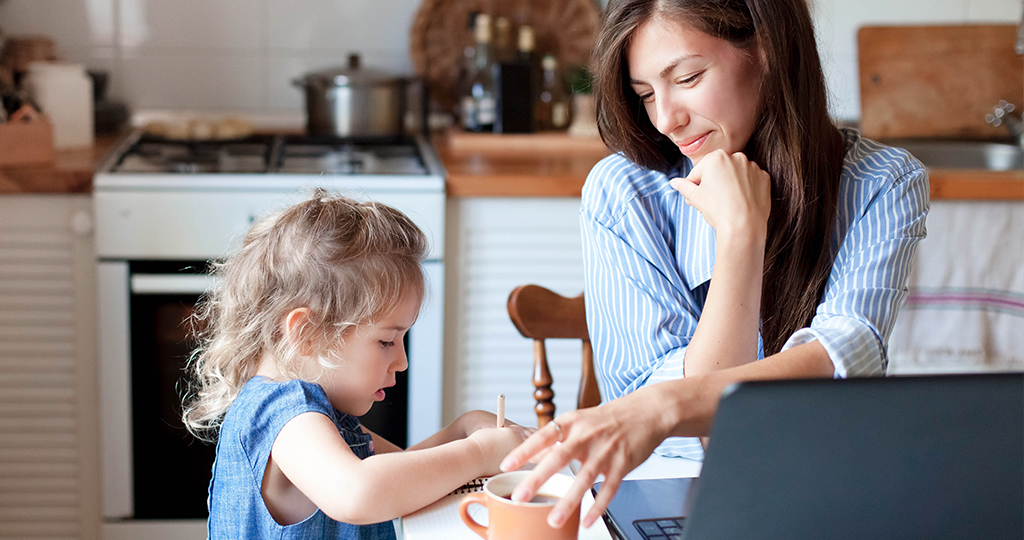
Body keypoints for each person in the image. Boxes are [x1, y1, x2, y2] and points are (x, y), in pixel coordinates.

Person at [499, 0, 929, 530]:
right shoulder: (623, 192)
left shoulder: (883, 183)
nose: (665, 118)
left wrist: (662, 406)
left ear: (766, 50)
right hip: (665, 494)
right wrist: (739, 239)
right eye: (646, 95)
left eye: (688, 77)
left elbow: (839, 357)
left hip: (818, 487)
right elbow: (695, 434)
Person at [182, 191, 532, 539]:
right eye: (385, 341)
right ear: (307, 333)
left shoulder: (325, 412)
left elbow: (403, 476)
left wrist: (463, 429)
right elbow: (359, 491)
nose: (402, 361)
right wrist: (478, 453)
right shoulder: (285, 415)